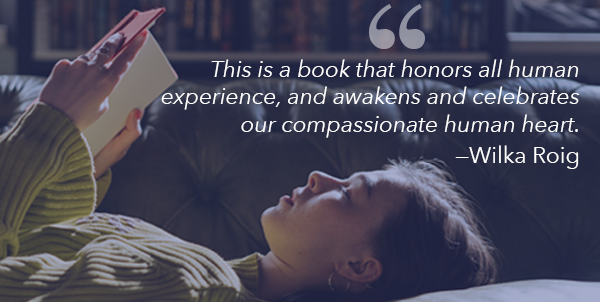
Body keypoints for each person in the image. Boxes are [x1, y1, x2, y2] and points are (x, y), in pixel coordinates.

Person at [0, 31, 497, 302]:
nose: (319, 177)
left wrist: (50, 126)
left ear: (359, 267)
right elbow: (36, 254)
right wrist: (78, 171)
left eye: (347, 194)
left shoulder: (197, 282)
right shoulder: (200, 269)